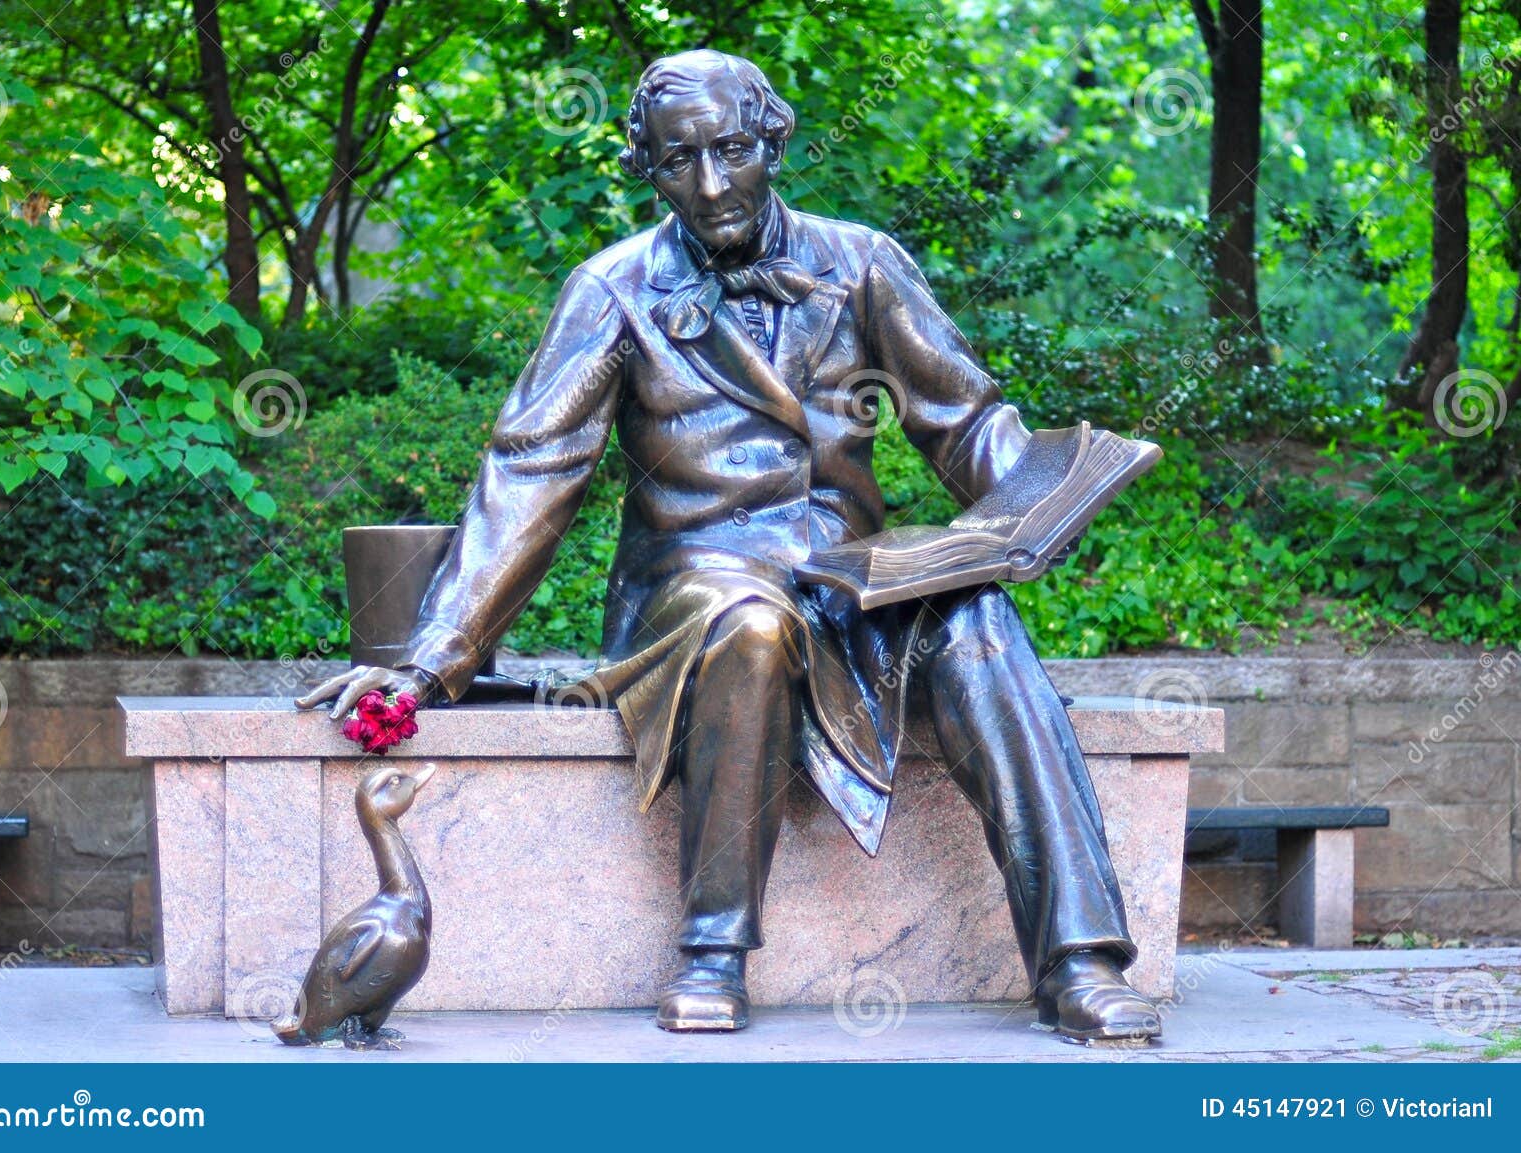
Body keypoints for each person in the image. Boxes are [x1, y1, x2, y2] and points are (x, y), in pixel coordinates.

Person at [299, 49, 1161, 1042]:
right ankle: (713, 946)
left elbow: (967, 426)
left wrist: (1044, 492)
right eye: (678, 162)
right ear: (648, 167)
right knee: (746, 622)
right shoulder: (612, 289)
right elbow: (530, 470)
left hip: (846, 584)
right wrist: (431, 659)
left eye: (731, 152)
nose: (709, 185)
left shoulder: (862, 263)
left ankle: (1079, 958)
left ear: (772, 141)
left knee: (976, 617)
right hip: (695, 588)